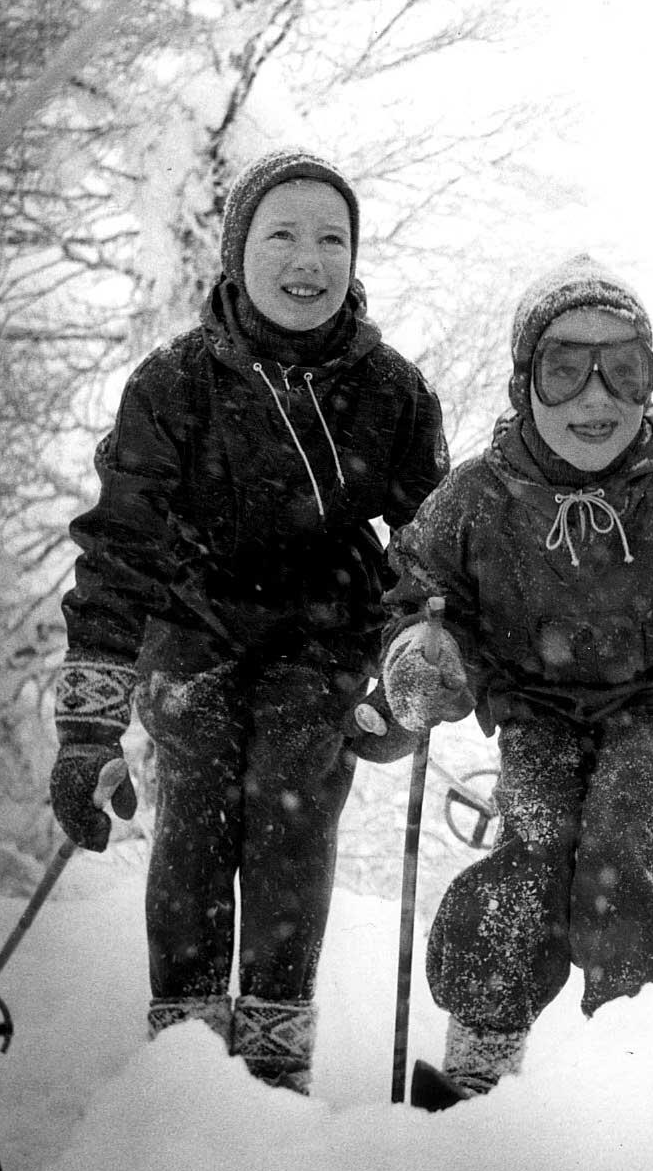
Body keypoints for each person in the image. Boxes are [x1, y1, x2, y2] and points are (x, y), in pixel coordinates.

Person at [377, 253, 653, 1103]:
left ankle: (640, 1058)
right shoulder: (475, 503)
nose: (596, 397)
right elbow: (416, 596)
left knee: (623, 837)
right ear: (525, 381)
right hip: (537, 707)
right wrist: (419, 656)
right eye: (565, 368)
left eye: (623, 370)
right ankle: (480, 1051)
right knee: (537, 838)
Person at [48, 147, 448, 1092]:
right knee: (196, 813)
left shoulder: (392, 392)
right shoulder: (173, 385)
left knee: (291, 805)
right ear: (237, 253)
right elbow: (120, 550)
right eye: (283, 236)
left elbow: (429, 560)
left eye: (332, 239)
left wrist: (410, 680)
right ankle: (185, 1055)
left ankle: (274, 1058)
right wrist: (87, 729)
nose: (309, 260)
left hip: (323, 639)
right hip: (192, 633)